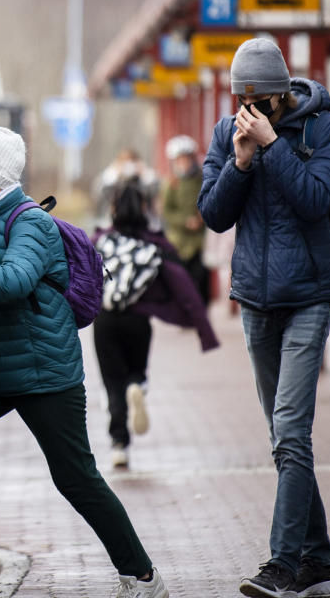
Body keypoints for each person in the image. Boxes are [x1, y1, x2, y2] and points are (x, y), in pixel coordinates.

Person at [0, 127, 169, 598]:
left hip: (46, 374)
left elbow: (11, 282)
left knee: (76, 478)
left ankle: (142, 577)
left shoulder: (31, 224)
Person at [197, 37, 330, 598]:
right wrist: (239, 160)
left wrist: (272, 146)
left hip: (308, 294)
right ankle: (319, 561)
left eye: (261, 100)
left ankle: (283, 566)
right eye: (243, 100)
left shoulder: (324, 129)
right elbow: (212, 214)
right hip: (255, 300)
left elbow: (315, 200)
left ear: (282, 93)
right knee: (284, 438)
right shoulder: (225, 132)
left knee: (290, 434)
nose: (251, 110)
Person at [93, 181, 218, 469]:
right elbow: (184, 286)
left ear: (113, 209)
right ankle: (138, 385)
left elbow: (77, 276)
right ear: (144, 209)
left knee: (112, 383)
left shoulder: (99, 241)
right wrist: (203, 329)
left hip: (106, 320)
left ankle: (119, 444)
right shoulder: (156, 243)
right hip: (139, 320)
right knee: (135, 372)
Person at [161, 134, 209, 304]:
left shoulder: (202, 178)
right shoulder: (171, 183)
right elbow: (166, 212)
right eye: (180, 160)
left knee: (202, 277)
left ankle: (202, 311)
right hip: (178, 240)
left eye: (186, 159)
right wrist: (184, 221)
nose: (184, 163)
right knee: (181, 279)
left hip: (199, 240)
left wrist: (202, 217)